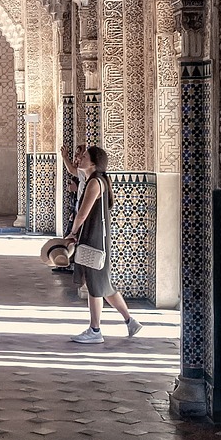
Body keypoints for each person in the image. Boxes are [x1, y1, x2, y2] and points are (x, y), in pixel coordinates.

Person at [63, 145, 142, 344]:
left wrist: (72, 233)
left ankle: (95, 330)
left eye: (85, 157)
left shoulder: (95, 183)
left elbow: (83, 212)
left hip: (94, 238)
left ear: (94, 162)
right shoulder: (96, 180)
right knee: (105, 285)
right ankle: (130, 321)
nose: (80, 159)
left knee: (95, 285)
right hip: (96, 237)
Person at [53, 142, 88, 273]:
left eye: (82, 155)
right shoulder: (85, 173)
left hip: (80, 210)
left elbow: (72, 170)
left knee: (73, 237)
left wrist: (65, 157)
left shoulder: (92, 177)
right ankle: (65, 262)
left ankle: (70, 263)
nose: (78, 157)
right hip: (77, 208)